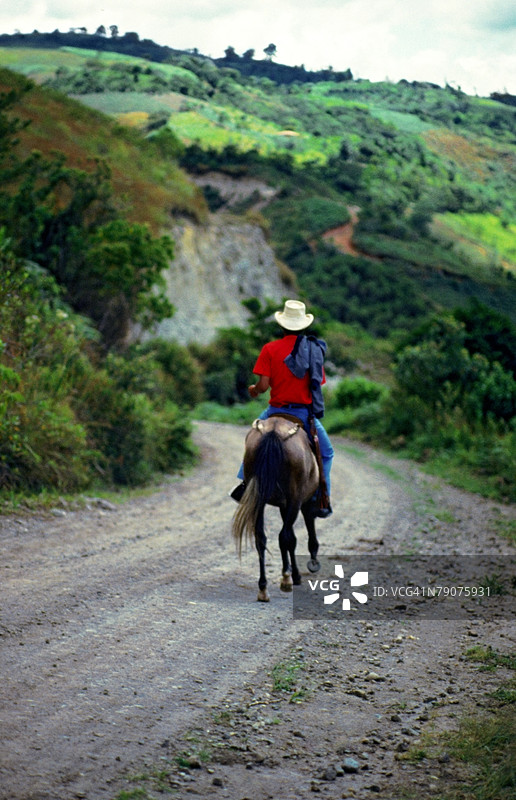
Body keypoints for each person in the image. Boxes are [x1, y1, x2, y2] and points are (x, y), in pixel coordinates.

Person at [230, 299, 334, 518]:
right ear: (304, 326)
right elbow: (318, 384)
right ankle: (321, 497)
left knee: (252, 441)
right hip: (303, 414)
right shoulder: (313, 352)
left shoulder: (269, 349)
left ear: (282, 325)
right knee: (326, 452)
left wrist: (254, 390)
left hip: (274, 411)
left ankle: (244, 484)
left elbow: (264, 385)